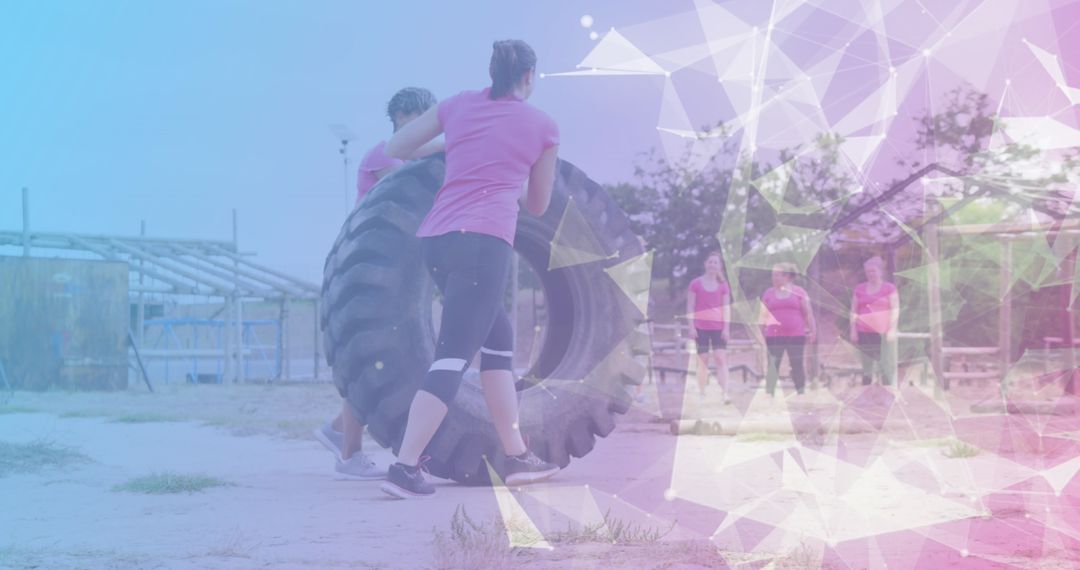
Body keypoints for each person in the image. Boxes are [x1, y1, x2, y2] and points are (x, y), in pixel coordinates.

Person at [378, 39, 561, 499]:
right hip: (483, 244)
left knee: (498, 343)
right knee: (454, 356)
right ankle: (404, 466)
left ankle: (517, 456)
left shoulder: (458, 105)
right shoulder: (541, 126)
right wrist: (508, 177)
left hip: (438, 240)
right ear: (528, 76)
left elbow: (397, 146)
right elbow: (537, 205)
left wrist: (459, 143)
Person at [314, 87, 440, 480]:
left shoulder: (405, 151)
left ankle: (336, 432)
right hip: (366, 268)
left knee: (373, 366)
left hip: (384, 267)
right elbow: (412, 189)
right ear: (402, 117)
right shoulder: (385, 153)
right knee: (366, 365)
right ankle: (349, 454)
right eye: (417, 118)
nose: (422, 126)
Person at [759, 263, 816, 401]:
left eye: (777, 275)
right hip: (774, 335)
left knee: (796, 364)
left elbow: (808, 313)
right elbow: (762, 316)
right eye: (773, 275)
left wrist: (813, 330)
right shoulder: (768, 293)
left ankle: (801, 393)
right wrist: (761, 333)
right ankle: (769, 394)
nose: (774, 278)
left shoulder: (799, 292)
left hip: (796, 335)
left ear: (787, 276)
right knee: (773, 364)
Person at [686, 251, 732, 404]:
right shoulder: (695, 284)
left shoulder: (723, 285)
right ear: (705, 264)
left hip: (718, 328)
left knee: (720, 359)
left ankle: (724, 393)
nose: (713, 265)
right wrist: (691, 327)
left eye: (716, 262)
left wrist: (726, 328)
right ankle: (702, 393)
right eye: (710, 262)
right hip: (701, 327)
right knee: (703, 361)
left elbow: (727, 308)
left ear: (720, 266)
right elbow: (690, 306)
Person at [849, 256, 900, 389]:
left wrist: (892, 329)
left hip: (883, 332)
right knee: (867, 365)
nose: (870, 274)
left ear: (880, 271)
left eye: (873, 271)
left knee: (885, 363)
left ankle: (886, 392)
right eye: (868, 272)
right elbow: (853, 310)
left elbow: (895, 309)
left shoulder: (889, 288)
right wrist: (853, 330)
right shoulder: (859, 289)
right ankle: (866, 392)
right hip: (863, 331)